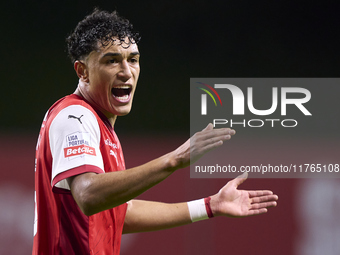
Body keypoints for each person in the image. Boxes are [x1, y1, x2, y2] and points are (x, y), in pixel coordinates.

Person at [32, 9, 278, 255]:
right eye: (112, 60)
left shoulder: (101, 125)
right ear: (82, 71)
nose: (126, 71)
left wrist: (209, 205)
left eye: (133, 59)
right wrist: (172, 160)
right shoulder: (75, 115)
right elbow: (88, 195)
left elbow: (118, 214)